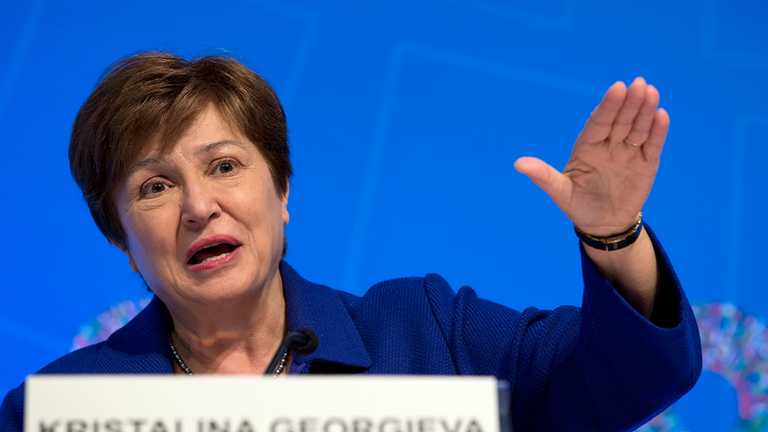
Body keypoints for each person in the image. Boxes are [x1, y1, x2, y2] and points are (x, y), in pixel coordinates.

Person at [0, 52, 701, 431]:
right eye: (155, 186)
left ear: (282, 193)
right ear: (121, 237)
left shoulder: (428, 331)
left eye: (224, 166)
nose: (199, 207)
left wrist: (612, 233)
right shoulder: (59, 409)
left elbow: (629, 381)